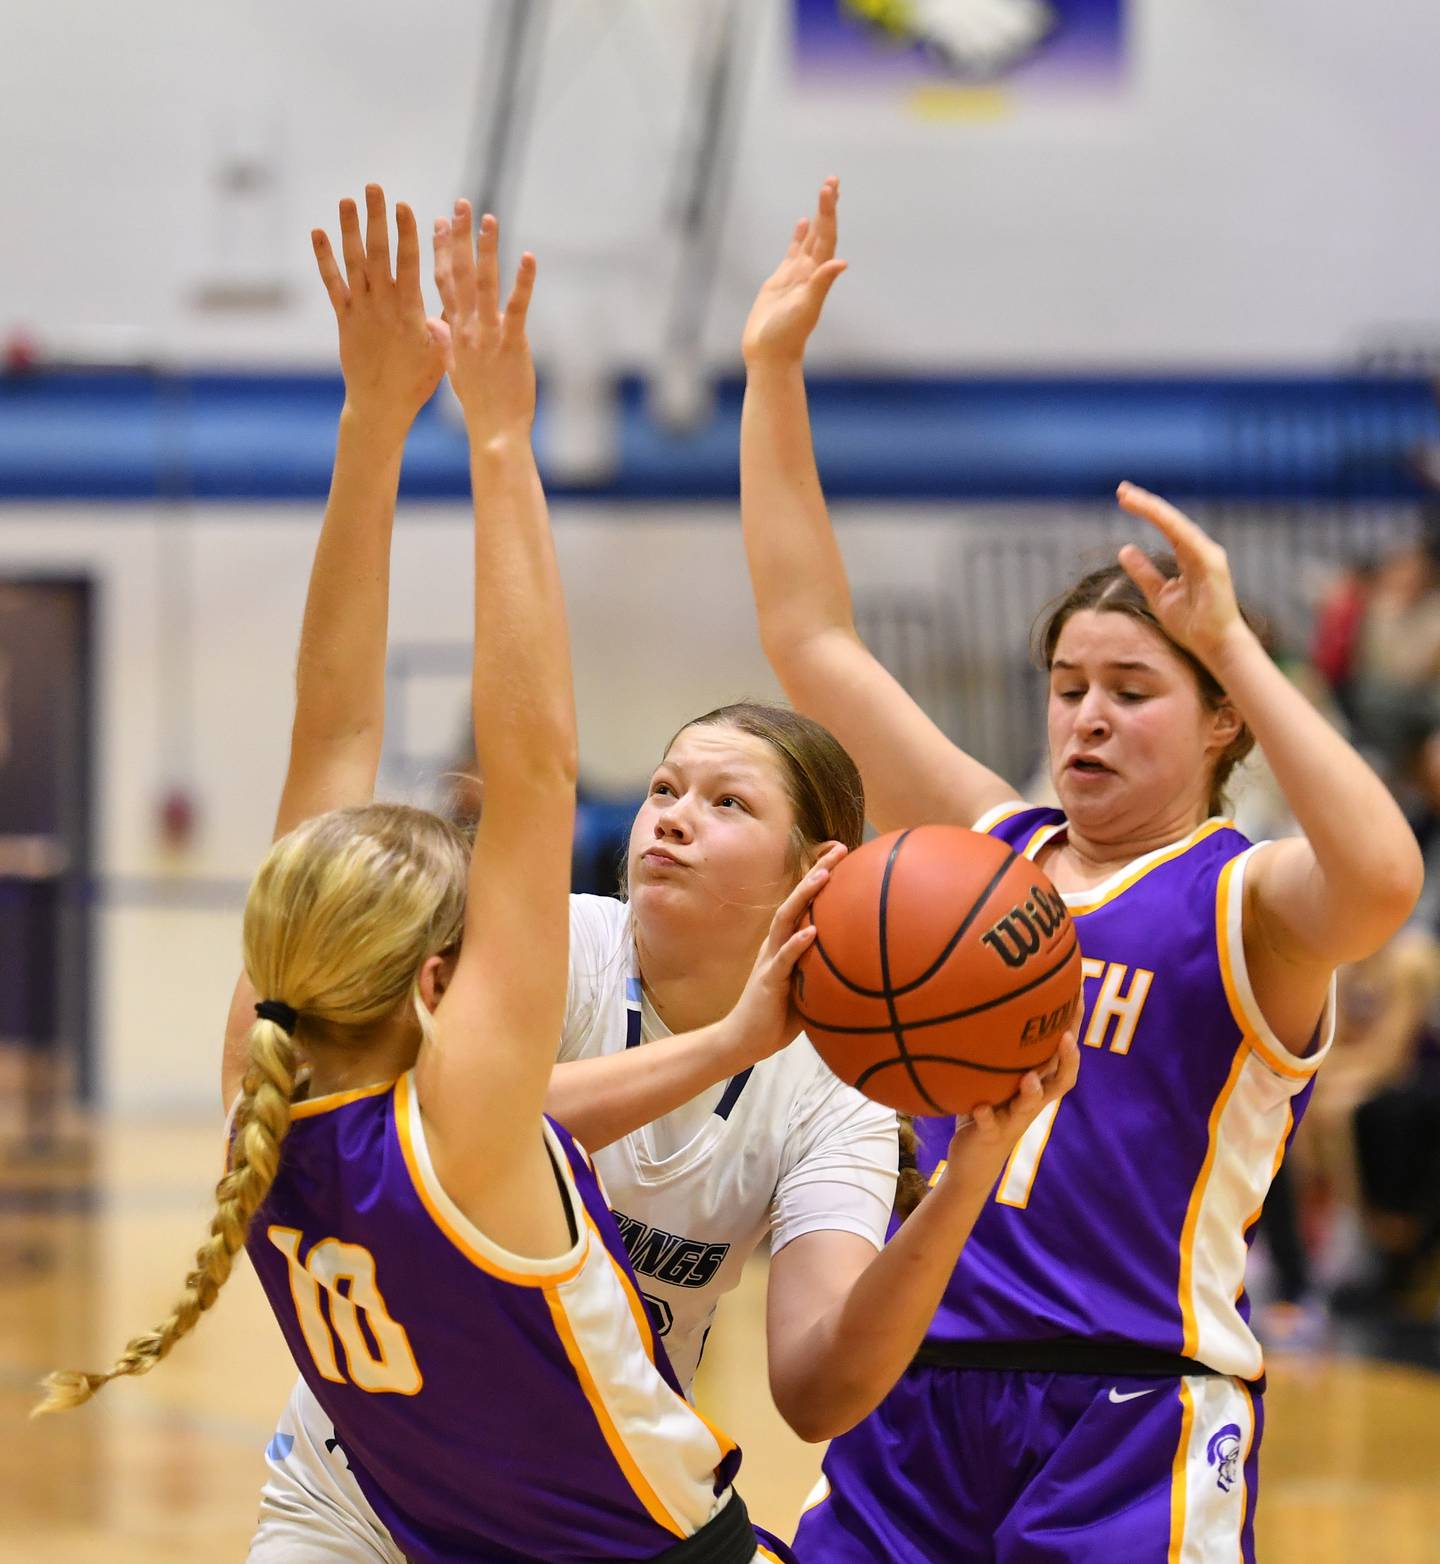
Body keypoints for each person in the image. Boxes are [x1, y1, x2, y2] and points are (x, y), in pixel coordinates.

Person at [34, 186, 803, 1564]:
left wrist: (372, 428)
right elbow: (538, 768)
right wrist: (499, 441)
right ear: (442, 983)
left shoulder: (254, 1094)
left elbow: (333, 731)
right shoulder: (461, 1129)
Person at [739, 176, 1425, 1562]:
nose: (1088, 716)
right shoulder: (988, 856)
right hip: (917, 1388)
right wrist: (770, 374)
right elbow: (814, 642)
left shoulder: (1246, 901)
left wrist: (1236, 640)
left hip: (1133, 1406)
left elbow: (1383, 877)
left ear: (1223, 717)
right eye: (1067, 687)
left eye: (1132, 688)